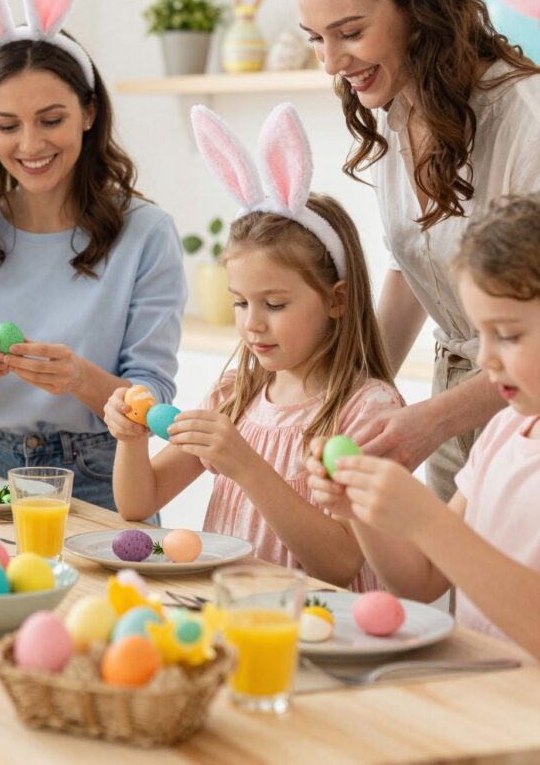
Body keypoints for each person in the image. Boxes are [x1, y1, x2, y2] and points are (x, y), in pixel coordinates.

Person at [286, 0, 540, 500]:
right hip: (452, 405)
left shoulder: (534, 121)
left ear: (416, 6)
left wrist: (433, 421)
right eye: (315, 38)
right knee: (447, 593)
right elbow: (413, 269)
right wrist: (347, 395)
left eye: (348, 32)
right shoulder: (399, 111)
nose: (330, 62)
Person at [307, 185, 540, 686]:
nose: (484, 358)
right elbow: (420, 580)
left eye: (508, 334)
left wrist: (423, 516)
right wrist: (364, 508)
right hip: (500, 690)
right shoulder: (508, 428)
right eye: (482, 334)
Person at [0, 0, 186, 510]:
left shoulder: (146, 234)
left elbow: (155, 402)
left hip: (101, 473)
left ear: (89, 113)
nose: (31, 144)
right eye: (8, 124)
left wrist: (80, 379)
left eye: (51, 119)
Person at [107, 105, 401, 589]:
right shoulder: (236, 392)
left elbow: (341, 563)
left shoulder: (368, 411)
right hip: (235, 618)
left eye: (276, 304)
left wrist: (245, 465)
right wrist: (130, 439)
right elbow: (140, 503)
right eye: (241, 303)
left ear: (336, 300)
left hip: (320, 633)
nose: (253, 325)